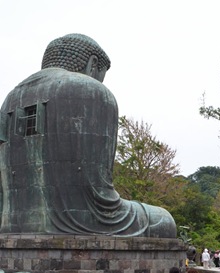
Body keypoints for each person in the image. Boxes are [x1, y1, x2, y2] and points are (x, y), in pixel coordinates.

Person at [0, 33, 176, 238]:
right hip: (87, 220)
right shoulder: (92, 91)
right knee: (164, 220)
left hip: (12, 222)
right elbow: (100, 191)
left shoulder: (10, 99)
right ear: (93, 64)